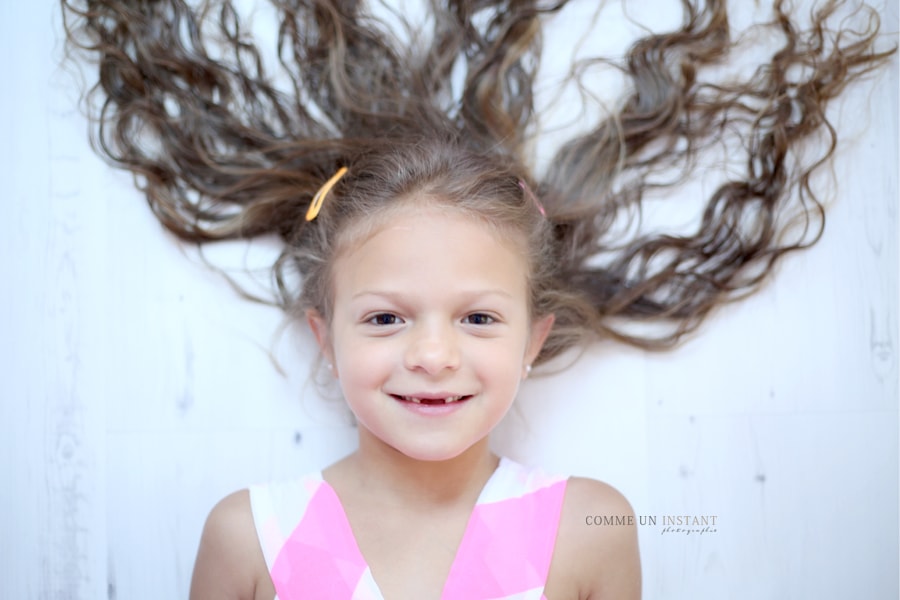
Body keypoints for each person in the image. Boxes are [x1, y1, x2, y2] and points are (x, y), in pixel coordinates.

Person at [61, 0, 892, 597]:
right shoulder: (249, 536)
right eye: (385, 317)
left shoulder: (588, 529)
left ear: (535, 339)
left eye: (480, 318)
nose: (432, 354)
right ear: (325, 336)